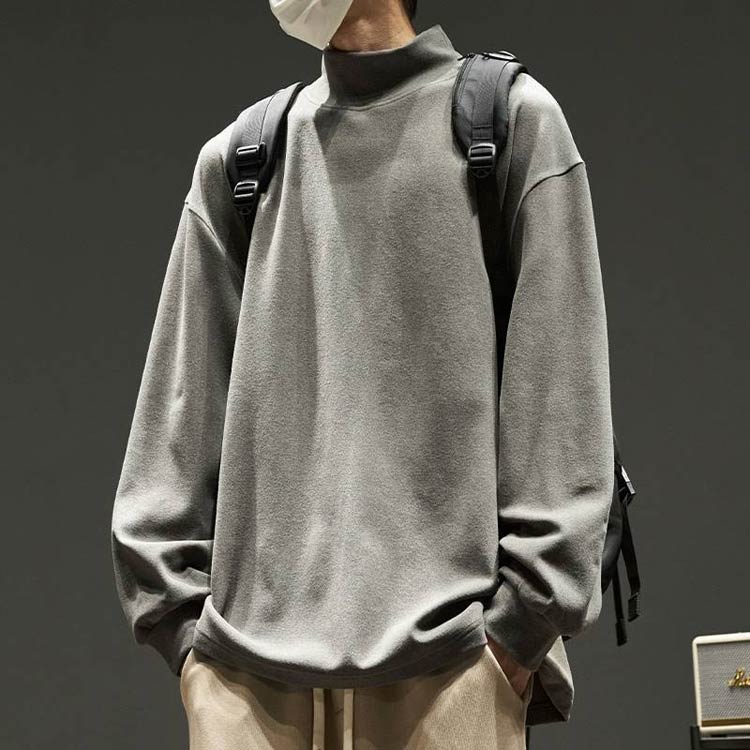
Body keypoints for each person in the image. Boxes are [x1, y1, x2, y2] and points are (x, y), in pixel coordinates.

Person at [110, 0, 615, 747]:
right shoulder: (245, 157)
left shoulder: (509, 126)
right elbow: (172, 422)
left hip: (451, 672)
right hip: (247, 687)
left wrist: (517, 631)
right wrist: (184, 635)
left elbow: (562, 402)